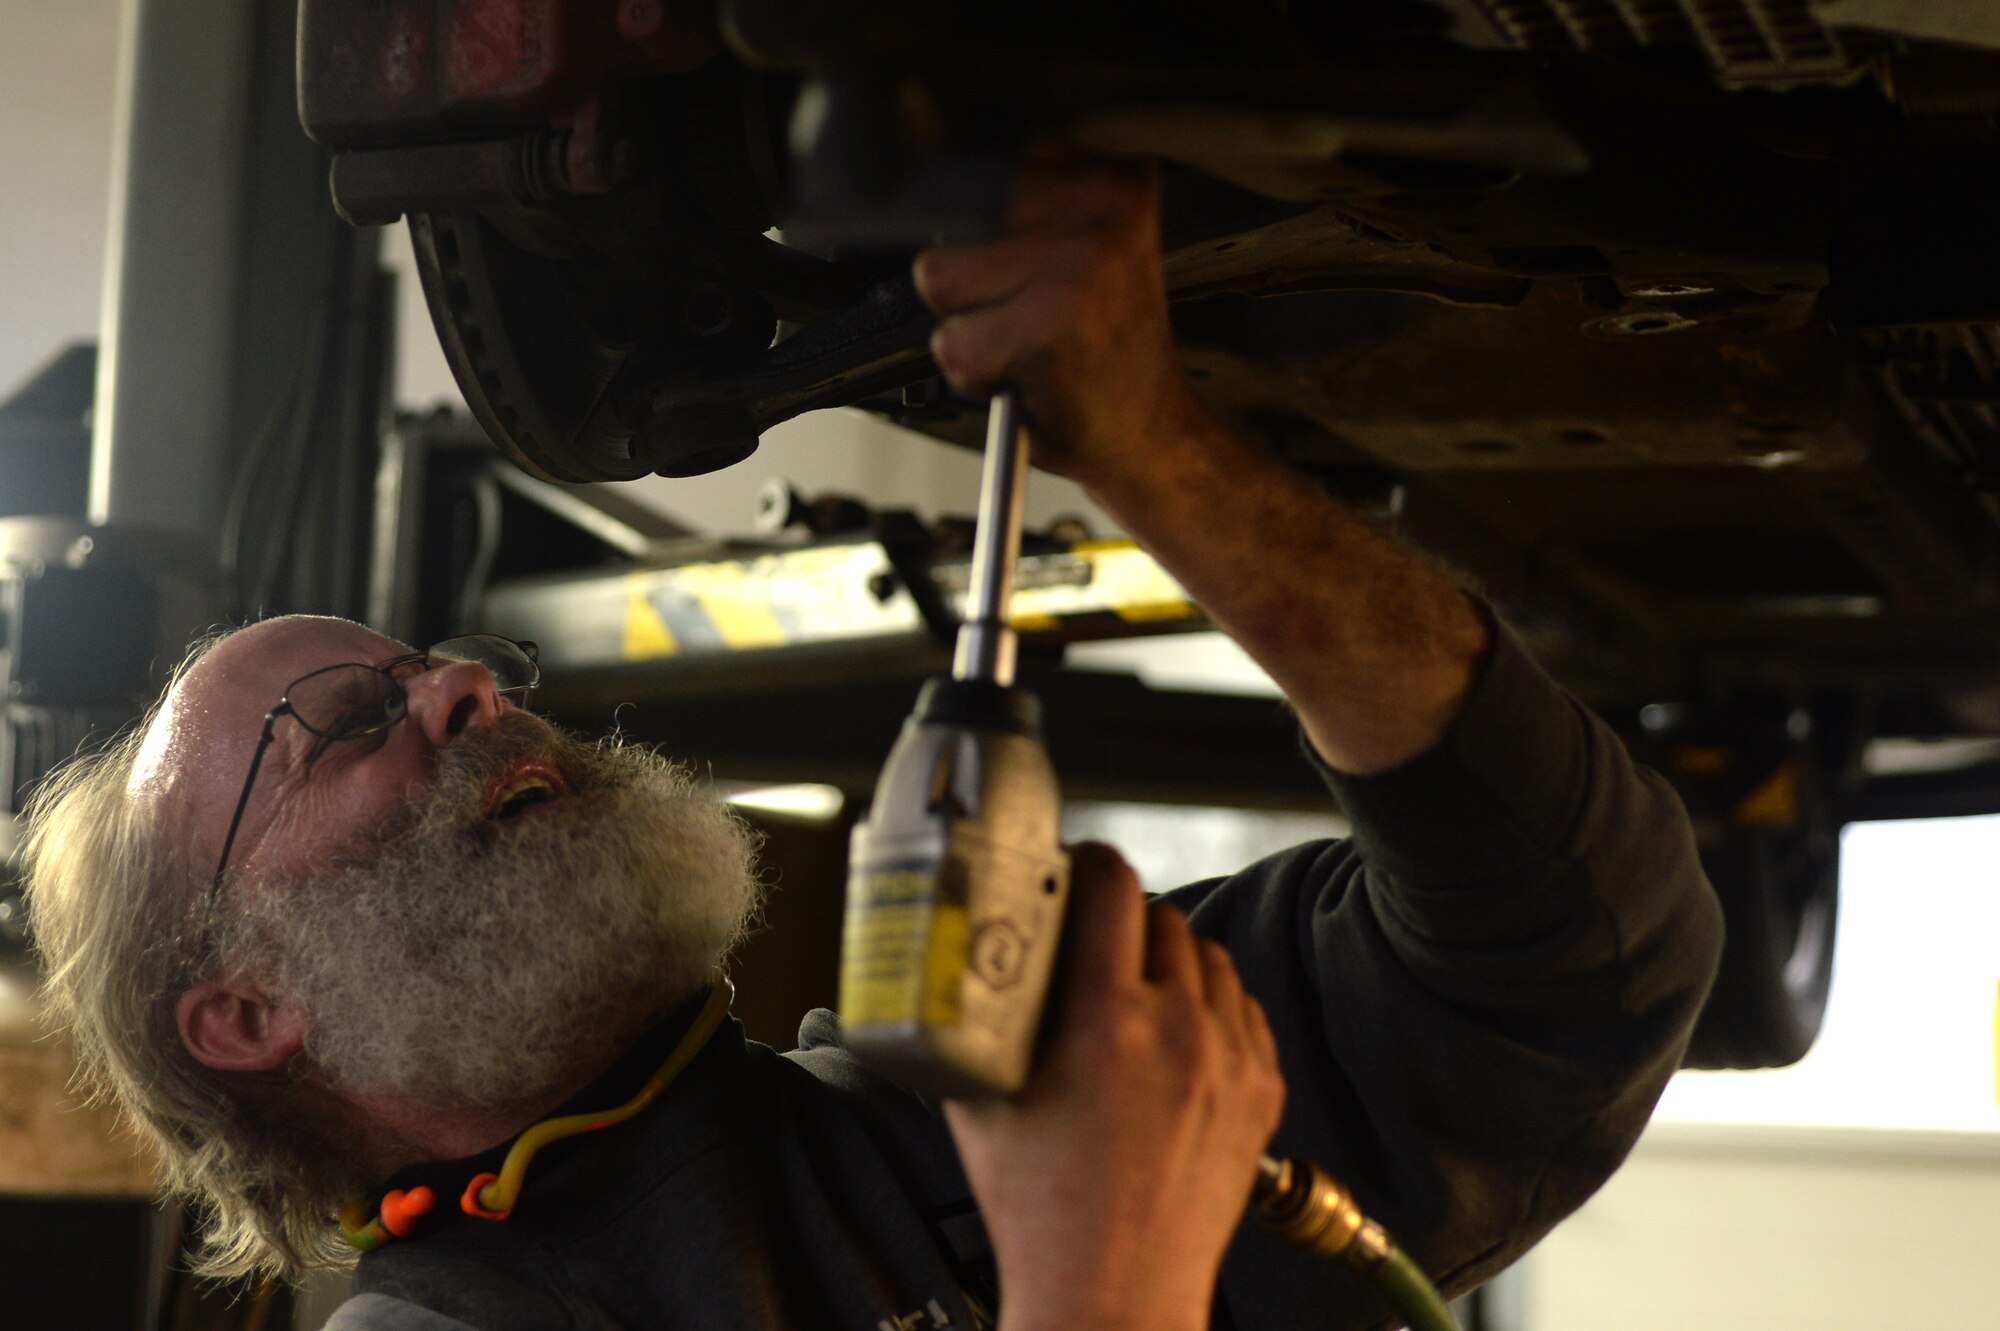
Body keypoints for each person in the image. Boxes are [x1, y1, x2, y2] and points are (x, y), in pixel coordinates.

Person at [22, 163, 1723, 1331]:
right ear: (246, 1013)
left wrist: (1157, 456)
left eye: (441, 665)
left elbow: (1575, 956)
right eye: (344, 725)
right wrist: (1101, 1275)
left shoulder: (952, 1117)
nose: (460, 694)